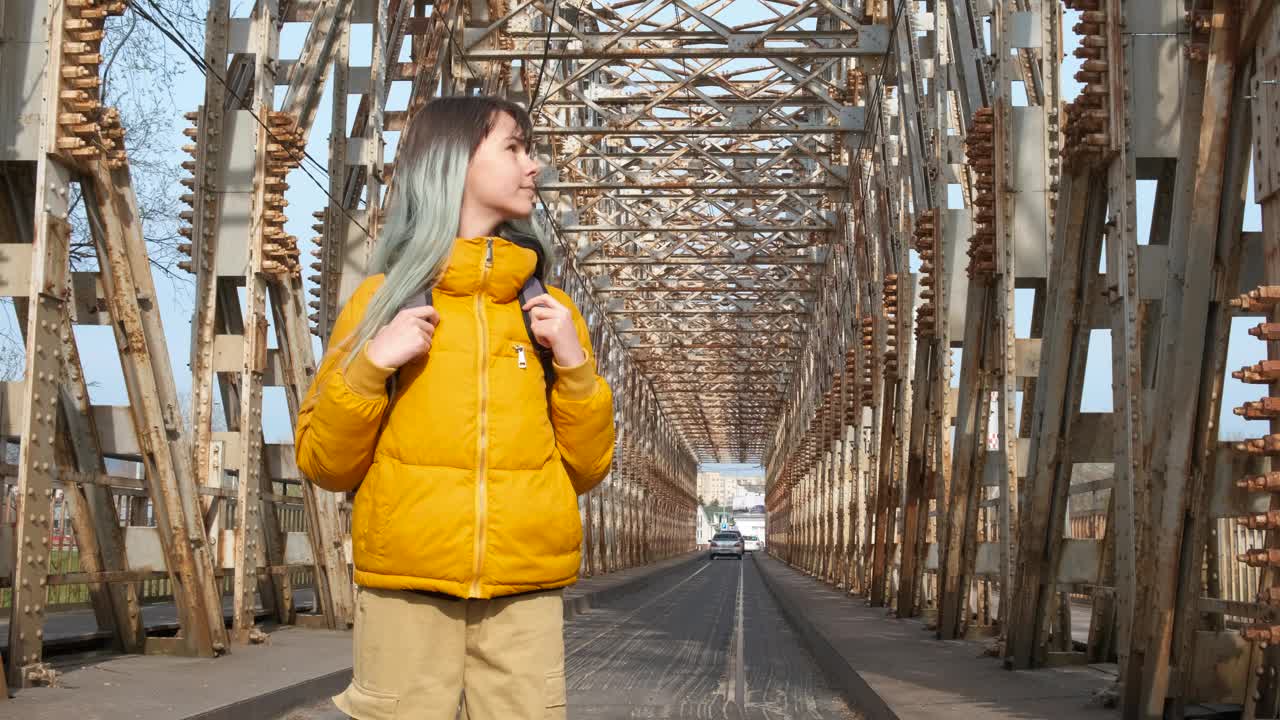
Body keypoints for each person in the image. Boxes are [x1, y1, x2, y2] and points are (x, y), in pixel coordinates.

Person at [295, 95, 616, 720]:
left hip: (523, 590)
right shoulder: (380, 304)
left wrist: (575, 366)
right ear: (455, 164)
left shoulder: (550, 316)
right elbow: (324, 463)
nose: (535, 167)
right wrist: (371, 366)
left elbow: (587, 469)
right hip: (407, 590)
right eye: (515, 148)